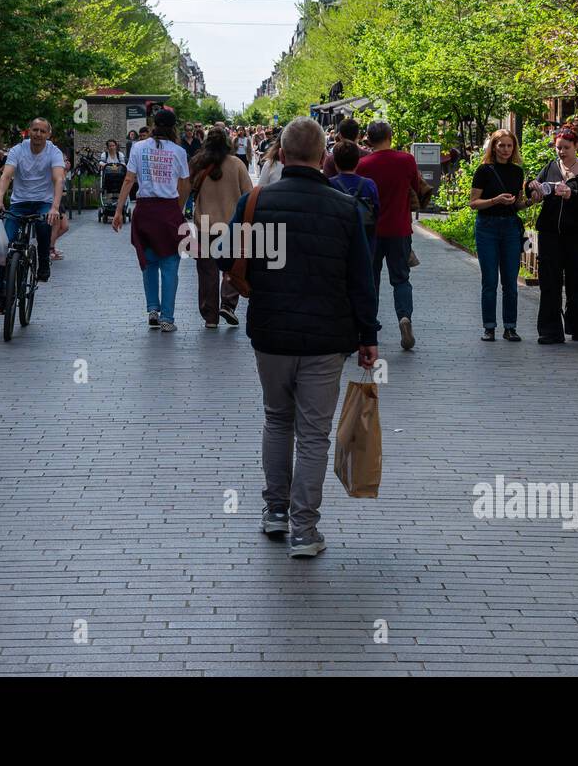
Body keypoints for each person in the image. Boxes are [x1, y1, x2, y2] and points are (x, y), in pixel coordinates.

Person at [219, 117, 378, 558]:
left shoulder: (257, 202)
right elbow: (360, 280)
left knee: (276, 419)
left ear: (282, 155)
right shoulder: (344, 208)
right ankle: (304, 531)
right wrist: (368, 335)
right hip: (327, 337)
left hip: (270, 331)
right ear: (324, 156)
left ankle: (274, 511)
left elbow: (224, 255)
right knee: (313, 434)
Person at [111, 108, 190, 331]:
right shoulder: (178, 152)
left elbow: (128, 179)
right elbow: (185, 183)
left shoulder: (138, 147)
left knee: (149, 263)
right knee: (170, 265)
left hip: (144, 211)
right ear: (174, 127)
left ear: (153, 124)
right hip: (168, 211)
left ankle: (152, 309)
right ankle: (167, 318)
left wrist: (118, 210)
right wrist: (179, 208)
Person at [357, 121, 428, 351]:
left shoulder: (363, 164)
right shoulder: (406, 160)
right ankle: (404, 317)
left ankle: (370, 324)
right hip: (400, 229)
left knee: (371, 279)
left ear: (368, 138)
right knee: (401, 279)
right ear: (390, 136)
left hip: (371, 232)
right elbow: (416, 186)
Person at [528, 129, 578, 344]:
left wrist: (572, 195)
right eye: (558, 147)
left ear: (576, 146)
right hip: (550, 234)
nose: (561, 152)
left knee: (577, 283)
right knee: (549, 282)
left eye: (566, 148)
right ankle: (550, 331)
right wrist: (531, 188)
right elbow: (535, 189)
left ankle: (576, 326)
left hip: (576, 235)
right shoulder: (551, 167)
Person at [0, 117, 64, 312]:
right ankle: (1, 295)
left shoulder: (54, 152)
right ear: (28, 131)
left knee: (43, 224)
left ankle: (44, 261)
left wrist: (55, 207)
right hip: (19, 202)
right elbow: (6, 175)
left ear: (48, 134)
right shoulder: (17, 150)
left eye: (42, 131)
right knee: (7, 244)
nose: (38, 134)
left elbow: (58, 179)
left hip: (43, 202)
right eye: (35, 130)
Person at [469, 129, 531, 342]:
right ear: (493, 146)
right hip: (487, 227)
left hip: (511, 228)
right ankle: (489, 327)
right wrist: (495, 200)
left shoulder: (517, 172)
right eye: (501, 145)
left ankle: (510, 327)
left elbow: (518, 203)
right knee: (490, 280)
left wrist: (532, 201)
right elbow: (473, 203)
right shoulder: (484, 170)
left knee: (510, 282)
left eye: (509, 145)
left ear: (514, 148)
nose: (505, 149)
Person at [189, 125, 252, 328]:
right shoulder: (237, 164)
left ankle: (210, 316)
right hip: (231, 225)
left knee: (207, 271)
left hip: (205, 225)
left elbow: (187, 189)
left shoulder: (197, 163)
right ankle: (228, 304)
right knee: (232, 268)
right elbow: (249, 193)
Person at [329, 139, 379, 252]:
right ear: (357, 162)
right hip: (365, 242)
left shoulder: (329, 184)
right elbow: (376, 211)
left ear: (335, 163)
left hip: (337, 241)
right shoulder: (369, 184)